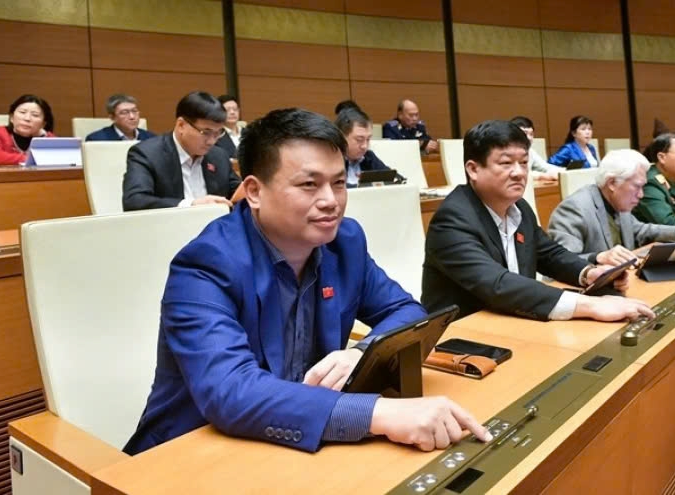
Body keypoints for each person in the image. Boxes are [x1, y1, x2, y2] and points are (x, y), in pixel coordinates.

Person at [124, 108, 491, 456]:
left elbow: (407, 312)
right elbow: (231, 391)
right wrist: (377, 414)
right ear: (254, 191)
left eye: (337, 183)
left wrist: (362, 355)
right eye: (309, 185)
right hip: (193, 451)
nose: (331, 201)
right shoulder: (206, 264)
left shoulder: (344, 242)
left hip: (302, 443)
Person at [421, 120, 654, 322]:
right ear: (473, 169)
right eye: (505, 163)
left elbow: (549, 254)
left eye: (523, 163)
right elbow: (497, 284)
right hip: (463, 337)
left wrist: (588, 273)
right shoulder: (452, 220)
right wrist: (591, 306)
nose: (519, 172)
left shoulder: (518, 207)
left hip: (514, 319)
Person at [549, 149, 675, 266]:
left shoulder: (618, 202)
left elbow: (640, 231)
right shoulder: (574, 209)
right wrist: (599, 258)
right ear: (612, 183)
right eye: (637, 187)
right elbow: (560, 261)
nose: (641, 195)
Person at [122, 91, 241, 211]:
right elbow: (134, 201)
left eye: (218, 133)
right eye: (206, 132)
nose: (211, 141)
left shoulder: (218, 155)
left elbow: (237, 191)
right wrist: (191, 205)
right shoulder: (147, 154)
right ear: (181, 125)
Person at [336, 108, 403, 187]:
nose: (364, 146)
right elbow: (336, 187)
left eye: (368, 139)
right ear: (341, 137)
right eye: (359, 140)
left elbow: (396, 179)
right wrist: (365, 186)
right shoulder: (331, 159)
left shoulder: (368, 156)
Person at [0, 94, 55, 165]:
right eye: (22, 112)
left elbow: (59, 157)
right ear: (12, 117)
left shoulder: (47, 137)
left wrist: (44, 136)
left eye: (35, 115)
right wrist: (32, 159)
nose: (27, 118)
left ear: (43, 124)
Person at [509, 116, 564, 181]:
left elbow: (545, 167)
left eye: (531, 134)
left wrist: (566, 171)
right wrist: (541, 176)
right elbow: (516, 173)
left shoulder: (530, 151)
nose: (529, 138)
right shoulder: (506, 152)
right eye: (525, 133)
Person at [85, 94, 155, 142]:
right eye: (125, 112)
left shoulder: (151, 139)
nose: (132, 117)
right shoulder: (96, 140)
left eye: (134, 111)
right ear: (112, 117)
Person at [214, 94, 243, 159]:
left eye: (235, 109)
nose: (232, 112)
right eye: (228, 110)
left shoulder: (249, 133)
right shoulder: (215, 136)